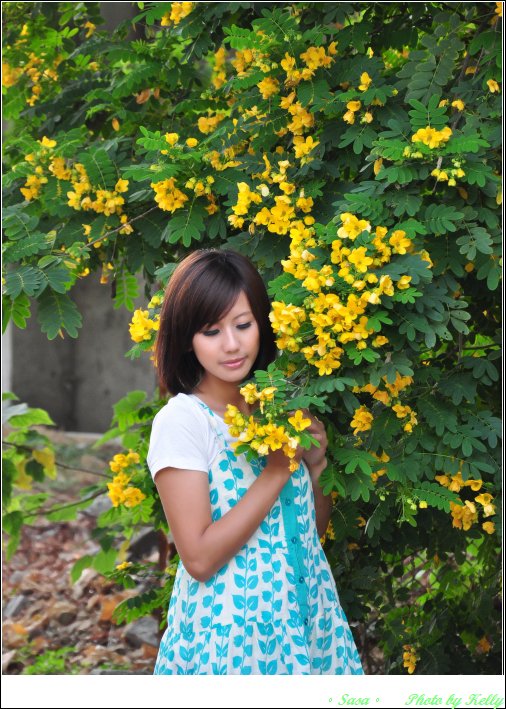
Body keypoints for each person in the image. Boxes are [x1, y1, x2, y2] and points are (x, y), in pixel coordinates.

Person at [147, 248, 364, 675]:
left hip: (309, 625)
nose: (231, 344)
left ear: (262, 324)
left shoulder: (277, 407)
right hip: (233, 644)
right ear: (187, 339)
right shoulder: (184, 421)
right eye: (211, 331)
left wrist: (316, 468)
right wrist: (278, 470)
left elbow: (306, 538)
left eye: (243, 325)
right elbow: (199, 559)